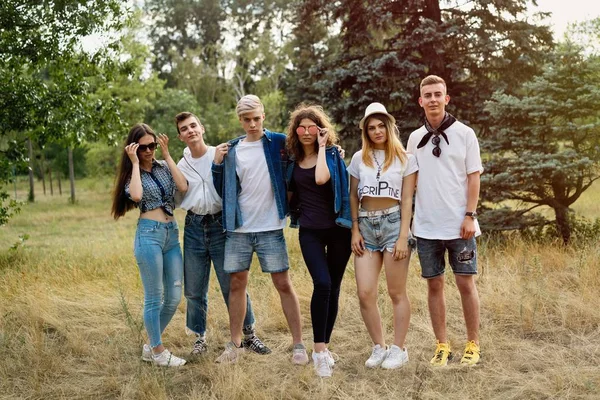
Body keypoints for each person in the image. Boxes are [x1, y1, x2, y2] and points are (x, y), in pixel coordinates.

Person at [211, 95, 308, 364]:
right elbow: (224, 190)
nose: (252, 124)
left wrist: (333, 150)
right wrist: (216, 164)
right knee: (237, 284)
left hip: (270, 227)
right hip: (239, 228)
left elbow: (305, 151)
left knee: (283, 284)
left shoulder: (278, 142)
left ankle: (298, 345)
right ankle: (235, 345)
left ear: (263, 116)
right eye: (246, 119)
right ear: (240, 120)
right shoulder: (233, 149)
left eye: (256, 118)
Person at [174, 112, 270, 358]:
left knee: (232, 285)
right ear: (180, 136)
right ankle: (200, 337)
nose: (190, 131)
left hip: (220, 225)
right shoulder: (181, 165)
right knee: (194, 288)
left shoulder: (221, 154)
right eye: (185, 129)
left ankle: (249, 335)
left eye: (194, 125)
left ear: (202, 128)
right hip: (194, 226)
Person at [406, 75, 483, 367]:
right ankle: (442, 345)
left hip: (460, 225)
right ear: (421, 101)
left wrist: (469, 215)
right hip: (426, 227)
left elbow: (473, 177)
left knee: (466, 284)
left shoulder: (465, 134)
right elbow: (409, 183)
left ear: (447, 99)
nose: (433, 99)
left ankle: (473, 344)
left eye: (439, 94)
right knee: (434, 285)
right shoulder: (414, 138)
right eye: (428, 95)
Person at [111, 123, 189, 367]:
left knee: (174, 296)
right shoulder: (132, 174)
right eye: (143, 147)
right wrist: (134, 163)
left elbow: (183, 187)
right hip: (149, 236)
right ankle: (157, 351)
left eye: (152, 145)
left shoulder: (164, 166)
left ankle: (150, 346)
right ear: (134, 148)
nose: (148, 151)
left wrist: (166, 155)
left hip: (171, 235)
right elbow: (136, 196)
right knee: (154, 297)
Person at [348, 102, 418, 369]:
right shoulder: (358, 158)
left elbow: (408, 199)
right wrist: (355, 229)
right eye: (371, 128)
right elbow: (353, 196)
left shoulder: (406, 159)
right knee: (365, 292)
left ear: (389, 127)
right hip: (366, 226)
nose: (376, 131)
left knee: (396, 292)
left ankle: (400, 349)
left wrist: (403, 236)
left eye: (380, 126)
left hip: (393, 224)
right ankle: (379, 346)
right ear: (366, 131)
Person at [285, 104, 352, 377]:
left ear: (320, 129)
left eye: (312, 127)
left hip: (338, 229)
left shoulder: (333, 155)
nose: (306, 132)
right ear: (295, 131)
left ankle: (323, 349)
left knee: (333, 287)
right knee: (321, 283)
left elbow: (323, 178)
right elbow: (290, 194)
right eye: (301, 128)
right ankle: (319, 350)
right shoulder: (292, 160)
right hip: (310, 230)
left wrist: (323, 147)